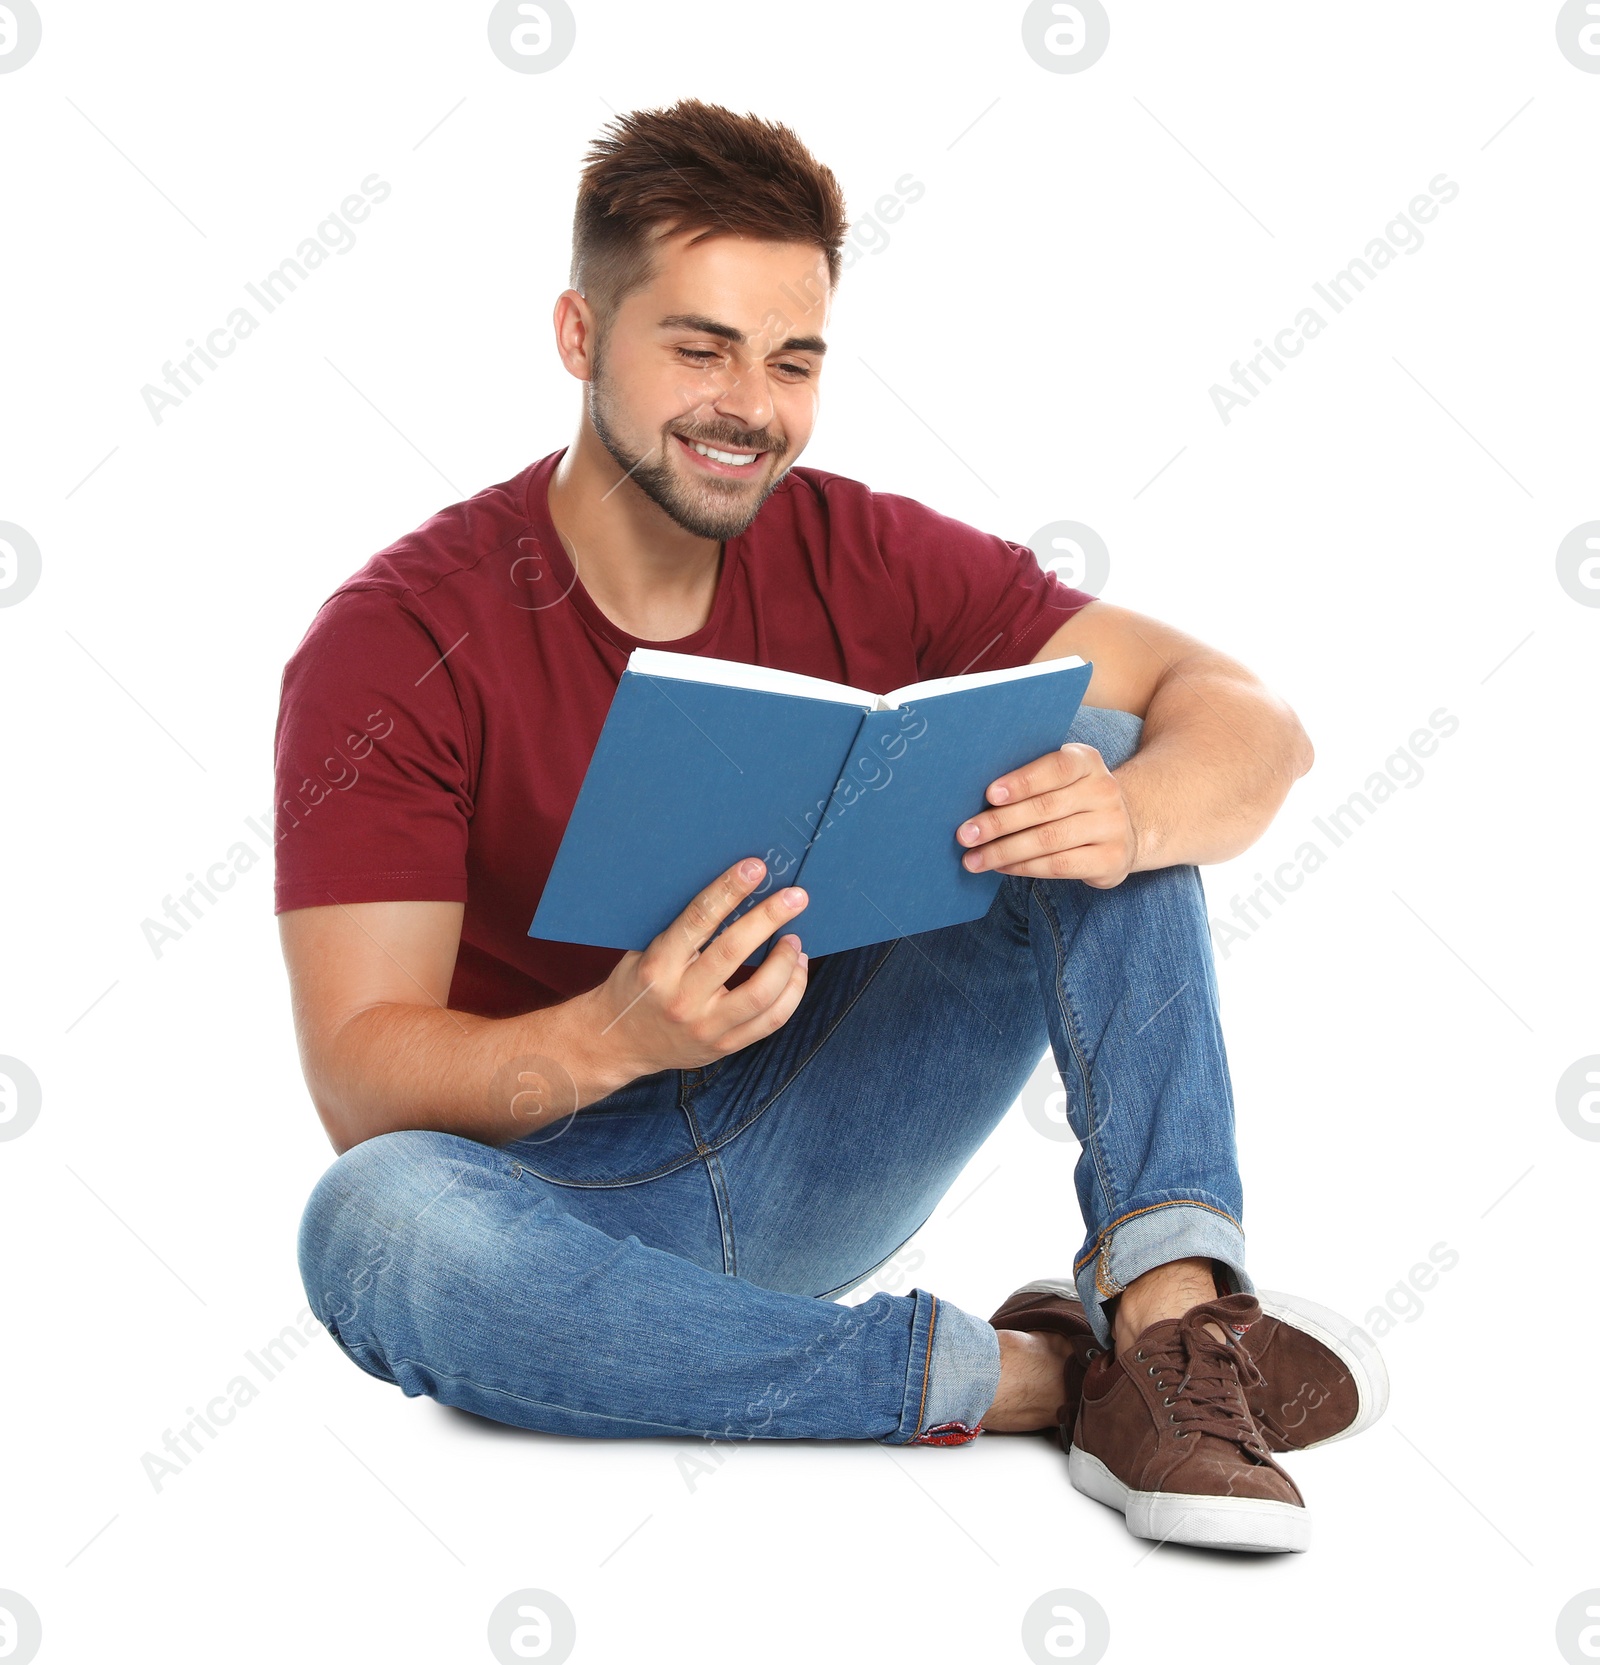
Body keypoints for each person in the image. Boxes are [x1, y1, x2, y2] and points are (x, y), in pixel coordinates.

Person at [277, 99, 1385, 1555]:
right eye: (698, 346)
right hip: (551, 1213)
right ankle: (1043, 1379)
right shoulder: (398, 637)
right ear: (577, 334)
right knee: (368, 1219)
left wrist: (1123, 810)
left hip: (820, 1133)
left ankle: (1177, 1331)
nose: (751, 403)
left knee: (1095, 751)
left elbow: (1249, 718)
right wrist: (616, 1030)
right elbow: (361, 1080)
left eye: (791, 358)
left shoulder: (862, 548)